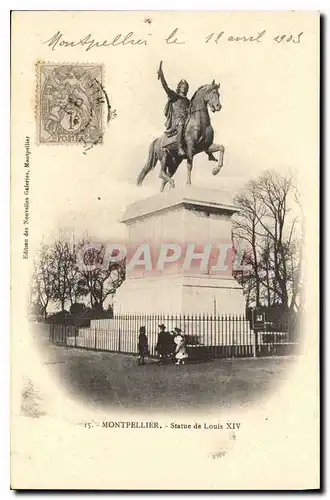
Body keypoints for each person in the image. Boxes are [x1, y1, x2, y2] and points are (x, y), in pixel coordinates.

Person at [157, 61, 190, 157]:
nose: (184, 88)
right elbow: (166, 87)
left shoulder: (187, 101)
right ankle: (179, 146)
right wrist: (162, 76)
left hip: (186, 119)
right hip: (176, 121)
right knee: (181, 123)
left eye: (185, 87)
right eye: (182, 86)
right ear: (179, 87)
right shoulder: (174, 96)